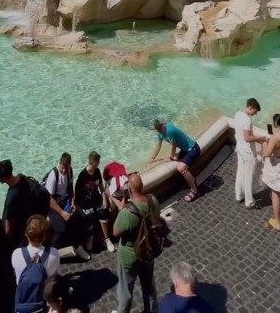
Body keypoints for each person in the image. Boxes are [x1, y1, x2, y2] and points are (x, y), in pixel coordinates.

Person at [113, 173, 160, 313]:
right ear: (142, 186)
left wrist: (121, 209)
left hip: (129, 258)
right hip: (148, 251)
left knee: (125, 292)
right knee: (148, 287)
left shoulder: (127, 213)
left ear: (129, 190)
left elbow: (115, 232)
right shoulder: (153, 200)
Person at [0, 159, 53, 250]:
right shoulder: (23, 178)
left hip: (23, 231)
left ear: (1, 179)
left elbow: (8, 230)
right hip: (34, 220)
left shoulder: (11, 198)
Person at [12, 215, 60, 313]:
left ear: (26, 235)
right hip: (44, 299)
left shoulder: (16, 254)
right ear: (44, 236)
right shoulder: (54, 254)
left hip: (23, 300)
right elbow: (54, 275)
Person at [149, 119, 201, 202]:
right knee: (169, 161)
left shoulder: (170, 130)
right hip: (185, 150)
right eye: (158, 130)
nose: (160, 131)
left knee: (181, 168)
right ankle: (189, 181)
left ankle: (195, 189)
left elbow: (174, 145)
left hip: (193, 149)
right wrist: (152, 159)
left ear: (162, 125)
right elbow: (158, 145)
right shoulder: (160, 133)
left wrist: (171, 157)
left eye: (160, 129)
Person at [231, 98, 269, 208]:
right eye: (255, 111)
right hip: (247, 151)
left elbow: (243, 135)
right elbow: (248, 138)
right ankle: (249, 202)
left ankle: (239, 195)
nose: (255, 113)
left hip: (239, 147)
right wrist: (262, 137)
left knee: (240, 172)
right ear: (250, 107)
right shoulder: (247, 120)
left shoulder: (237, 114)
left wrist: (257, 139)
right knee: (249, 177)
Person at [75, 151, 114, 252]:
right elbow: (78, 194)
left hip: (96, 198)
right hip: (86, 201)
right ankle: (90, 239)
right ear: (95, 162)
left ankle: (107, 239)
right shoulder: (82, 175)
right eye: (98, 162)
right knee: (89, 217)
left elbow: (101, 186)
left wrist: (105, 198)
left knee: (103, 212)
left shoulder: (97, 171)